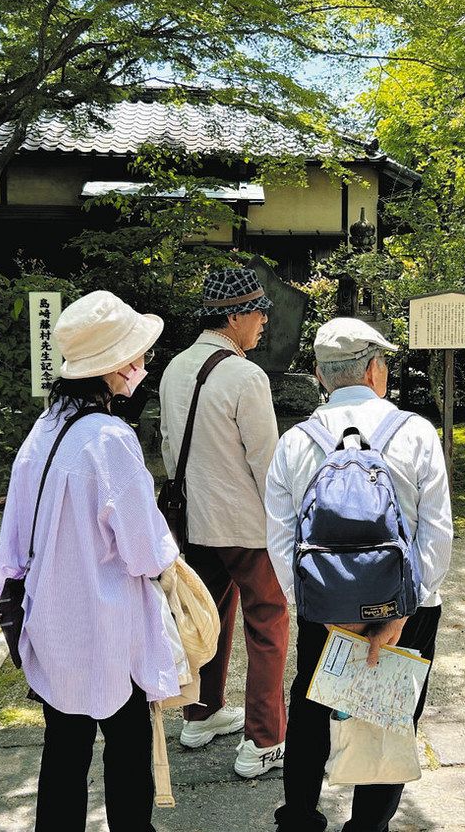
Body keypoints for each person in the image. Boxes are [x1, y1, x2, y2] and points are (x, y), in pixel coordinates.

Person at [0, 291, 180, 832]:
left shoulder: (46, 427)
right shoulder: (110, 437)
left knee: (64, 748)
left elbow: (15, 532)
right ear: (118, 365)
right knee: (128, 745)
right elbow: (145, 550)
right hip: (108, 619)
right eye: (137, 355)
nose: (141, 364)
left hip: (52, 614)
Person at [265, 318, 454, 832]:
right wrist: (403, 611)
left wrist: (320, 611)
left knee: (311, 706)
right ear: (373, 370)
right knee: (390, 710)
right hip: (407, 606)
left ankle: (299, 818)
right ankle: (369, 825)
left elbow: (280, 540)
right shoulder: (415, 432)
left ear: (320, 375)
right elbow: (437, 532)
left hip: (325, 608)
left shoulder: (295, 442)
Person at [158, 267, 289, 779]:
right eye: (258, 313)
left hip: (195, 521)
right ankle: (265, 738)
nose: (263, 323)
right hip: (247, 526)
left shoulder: (173, 368)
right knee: (268, 624)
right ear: (234, 317)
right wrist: (285, 525)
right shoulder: (246, 376)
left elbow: (170, 447)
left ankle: (201, 713)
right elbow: (267, 463)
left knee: (206, 615)